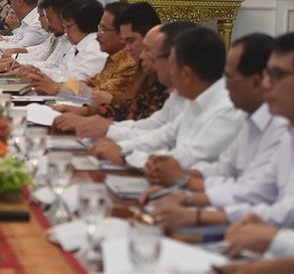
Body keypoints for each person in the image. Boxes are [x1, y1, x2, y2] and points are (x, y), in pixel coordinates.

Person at [140, 34, 291, 229]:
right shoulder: (272, 126)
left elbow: (272, 206)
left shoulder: (277, 127)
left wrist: (187, 192)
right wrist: (183, 189)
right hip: (247, 225)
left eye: (276, 75)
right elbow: (231, 175)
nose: (266, 84)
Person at [89, 27, 245, 170]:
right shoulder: (193, 97)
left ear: (186, 73)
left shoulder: (226, 109)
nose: (169, 72)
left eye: (172, 65)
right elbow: (164, 135)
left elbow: (187, 158)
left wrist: (125, 155)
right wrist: (120, 146)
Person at [71, 21, 195, 140]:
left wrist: (107, 131)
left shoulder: (132, 65)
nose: (143, 56)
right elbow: (146, 124)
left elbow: (162, 140)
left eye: (151, 52)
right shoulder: (173, 91)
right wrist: (87, 113)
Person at [21, 0, 108, 93]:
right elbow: (63, 73)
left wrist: (55, 87)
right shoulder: (79, 46)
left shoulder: (95, 49)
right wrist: (38, 73)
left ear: (83, 24)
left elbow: (83, 87)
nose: (66, 31)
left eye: (69, 26)